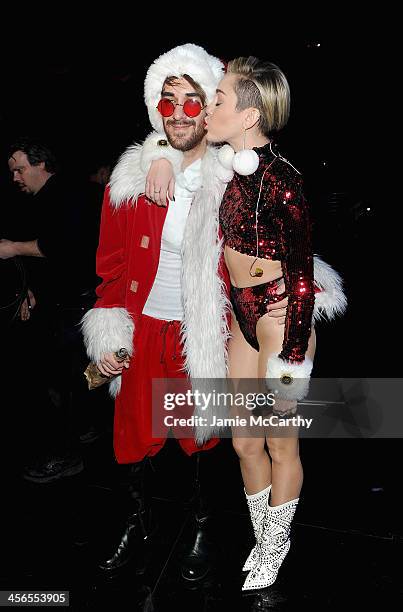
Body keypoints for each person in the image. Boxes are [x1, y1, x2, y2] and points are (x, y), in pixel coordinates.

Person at [144, 56, 347, 592]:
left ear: (250, 114)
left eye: (219, 101)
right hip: (240, 316)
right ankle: (263, 535)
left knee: (281, 441)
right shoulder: (222, 165)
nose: (209, 108)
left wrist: (293, 356)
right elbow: (168, 133)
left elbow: (302, 275)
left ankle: (274, 547)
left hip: (283, 317)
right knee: (243, 442)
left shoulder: (284, 180)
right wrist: (162, 154)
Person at [81, 43, 231, 581]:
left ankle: (200, 524)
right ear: (155, 108)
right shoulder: (130, 179)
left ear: (211, 108)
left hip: (200, 330)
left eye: (194, 102)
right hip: (143, 326)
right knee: (133, 435)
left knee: (198, 434)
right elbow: (111, 268)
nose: (180, 114)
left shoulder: (231, 180)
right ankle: (137, 523)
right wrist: (108, 334)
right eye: (169, 102)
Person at [0, 138, 98, 482]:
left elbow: (64, 248)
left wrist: (12, 248)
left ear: (42, 164)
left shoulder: (68, 193)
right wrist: (28, 290)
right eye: (12, 171)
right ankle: (83, 429)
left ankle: (65, 454)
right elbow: (45, 260)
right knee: (71, 379)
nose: (15, 177)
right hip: (63, 302)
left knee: (61, 381)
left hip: (79, 305)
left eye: (20, 169)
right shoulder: (42, 199)